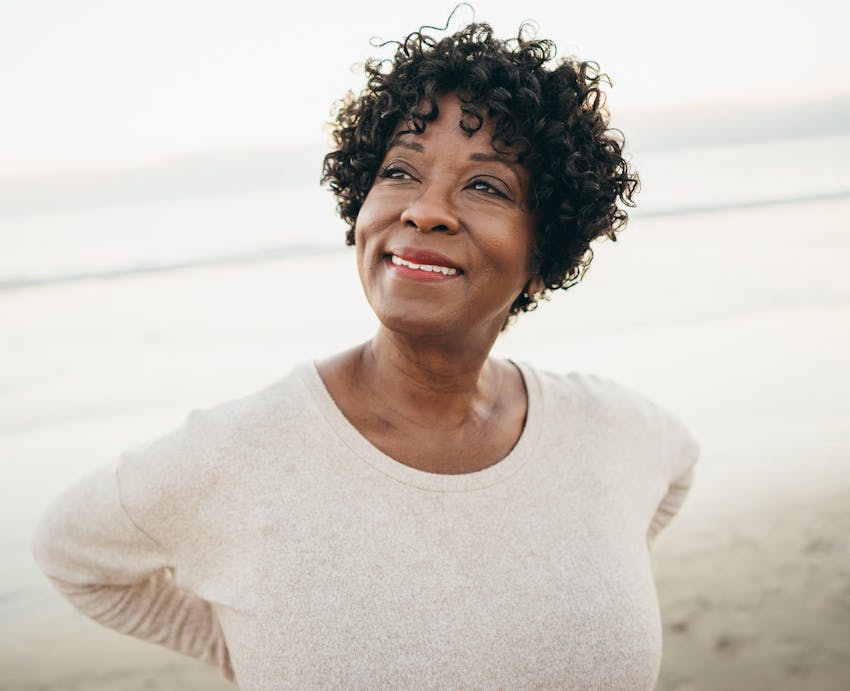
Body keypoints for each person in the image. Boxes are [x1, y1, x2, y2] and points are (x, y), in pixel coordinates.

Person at [31, 19, 699, 691]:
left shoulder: (614, 429)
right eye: (401, 171)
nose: (426, 209)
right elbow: (71, 551)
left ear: (542, 260)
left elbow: (676, 467)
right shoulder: (245, 451)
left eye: (486, 186)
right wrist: (243, 648)